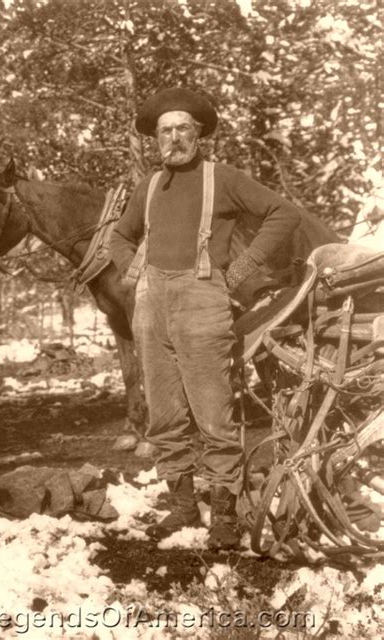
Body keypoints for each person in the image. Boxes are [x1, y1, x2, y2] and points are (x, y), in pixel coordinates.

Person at [110, 88, 301, 550]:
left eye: (183, 129)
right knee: (164, 417)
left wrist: (238, 270)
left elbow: (284, 214)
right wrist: (134, 272)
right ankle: (180, 508)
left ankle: (223, 517)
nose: (173, 138)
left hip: (203, 306)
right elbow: (119, 236)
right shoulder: (150, 186)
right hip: (152, 308)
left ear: (199, 135)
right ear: (155, 139)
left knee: (215, 417)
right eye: (165, 131)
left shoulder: (224, 178)